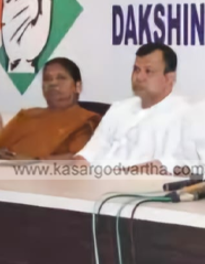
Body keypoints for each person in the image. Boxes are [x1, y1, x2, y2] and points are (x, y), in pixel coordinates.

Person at [75, 43, 196, 172]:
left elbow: (177, 165)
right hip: (97, 184)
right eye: (136, 69)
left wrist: (120, 176)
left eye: (148, 71)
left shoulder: (186, 115)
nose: (139, 77)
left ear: (169, 78)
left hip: (141, 189)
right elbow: (89, 153)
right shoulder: (119, 108)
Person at [0, 58, 101, 160]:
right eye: (47, 79)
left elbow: (78, 158)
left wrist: (35, 162)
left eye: (61, 78)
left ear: (77, 87)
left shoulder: (85, 120)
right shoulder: (26, 116)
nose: (53, 83)